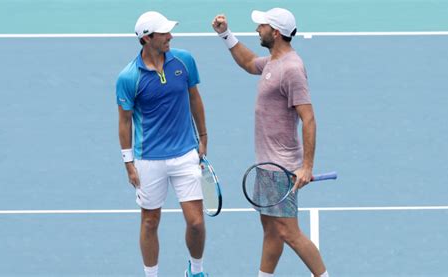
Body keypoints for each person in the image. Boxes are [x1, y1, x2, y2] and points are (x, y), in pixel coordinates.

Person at [212, 8, 329, 277]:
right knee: (270, 229)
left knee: (289, 232)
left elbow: (309, 119)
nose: (257, 30)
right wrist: (225, 35)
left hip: (281, 168)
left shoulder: (291, 69)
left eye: (261, 26)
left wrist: (307, 166)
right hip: (266, 164)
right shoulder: (274, 62)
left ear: (275, 32)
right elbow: (248, 62)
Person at [116, 11, 208, 277]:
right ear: (147, 38)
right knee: (149, 222)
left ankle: (196, 270)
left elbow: (195, 99)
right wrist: (128, 163)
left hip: (185, 154)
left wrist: (203, 137)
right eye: (164, 33)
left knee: (196, 222)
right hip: (148, 159)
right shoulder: (128, 77)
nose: (170, 36)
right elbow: (124, 122)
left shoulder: (184, 61)